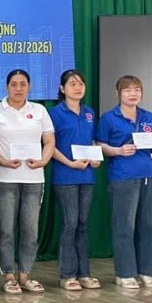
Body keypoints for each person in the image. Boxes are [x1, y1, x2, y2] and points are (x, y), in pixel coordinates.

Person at [0, 69, 54, 295]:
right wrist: (2, 161)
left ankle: (25, 275)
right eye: (14, 84)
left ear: (29, 87)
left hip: (33, 180)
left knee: (30, 231)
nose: (18, 88)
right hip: (4, 179)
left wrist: (43, 160)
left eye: (23, 84)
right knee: (5, 231)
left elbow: (49, 141)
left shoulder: (40, 111)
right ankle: (9, 276)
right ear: (7, 87)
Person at [96, 75, 152, 289]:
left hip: (150, 175)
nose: (133, 94)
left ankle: (146, 271)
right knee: (124, 226)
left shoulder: (148, 117)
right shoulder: (109, 118)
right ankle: (125, 273)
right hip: (123, 177)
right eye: (128, 90)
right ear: (119, 93)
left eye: (137, 89)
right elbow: (100, 145)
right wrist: (117, 150)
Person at [49, 70, 102, 291]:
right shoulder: (55, 113)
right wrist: (70, 163)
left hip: (87, 175)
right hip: (65, 175)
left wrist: (96, 157)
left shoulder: (89, 113)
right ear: (62, 89)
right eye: (72, 84)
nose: (78, 87)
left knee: (82, 223)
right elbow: (49, 146)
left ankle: (84, 273)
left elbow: (93, 141)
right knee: (70, 223)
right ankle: (67, 274)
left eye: (81, 83)